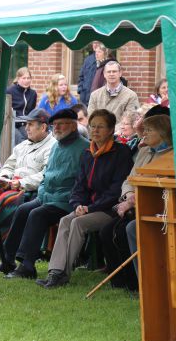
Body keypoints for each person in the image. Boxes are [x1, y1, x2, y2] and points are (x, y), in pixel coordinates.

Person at [37, 109, 134, 288]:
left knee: (77, 223)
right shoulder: (87, 154)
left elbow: (116, 190)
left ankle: (63, 275)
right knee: (66, 220)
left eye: (101, 127)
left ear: (112, 129)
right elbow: (78, 186)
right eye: (92, 126)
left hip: (110, 209)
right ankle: (55, 272)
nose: (95, 130)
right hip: (87, 207)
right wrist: (78, 204)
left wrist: (90, 208)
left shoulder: (121, 153)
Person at [0, 108, 88, 278]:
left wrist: (39, 190)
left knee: (37, 214)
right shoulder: (58, 146)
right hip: (48, 196)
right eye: (55, 125)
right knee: (22, 210)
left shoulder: (84, 148)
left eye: (61, 125)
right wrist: (43, 192)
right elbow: (47, 176)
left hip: (67, 200)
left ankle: (27, 266)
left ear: (73, 127)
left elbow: (78, 182)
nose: (56, 128)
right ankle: (7, 260)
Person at [100, 114, 173, 291]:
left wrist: (132, 202)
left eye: (149, 130)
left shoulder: (172, 156)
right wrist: (128, 195)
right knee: (106, 230)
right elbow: (129, 179)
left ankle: (140, 282)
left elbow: (160, 188)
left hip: (156, 207)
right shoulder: (144, 151)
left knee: (127, 229)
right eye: (144, 129)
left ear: (163, 133)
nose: (144, 134)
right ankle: (120, 282)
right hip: (132, 202)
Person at [0, 108, 56, 254]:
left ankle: (6, 247)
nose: (26, 128)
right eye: (26, 124)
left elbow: (46, 175)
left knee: (8, 200)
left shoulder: (52, 147)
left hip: (34, 190)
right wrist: (5, 177)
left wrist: (21, 183)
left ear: (43, 127)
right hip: (13, 184)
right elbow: (9, 165)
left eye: (30, 124)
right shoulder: (22, 145)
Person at [87, 61, 139, 133]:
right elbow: (91, 118)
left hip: (120, 137)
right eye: (109, 72)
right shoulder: (95, 95)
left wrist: (109, 131)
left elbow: (131, 120)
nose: (111, 74)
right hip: (98, 136)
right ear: (104, 74)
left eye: (114, 71)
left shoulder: (131, 95)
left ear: (120, 73)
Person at [6, 67, 37, 145]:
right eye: (24, 78)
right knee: (21, 140)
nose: (26, 81)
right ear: (18, 79)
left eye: (28, 78)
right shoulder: (9, 91)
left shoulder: (33, 94)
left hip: (24, 124)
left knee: (32, 138)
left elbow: (31, 111)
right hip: (11, 123)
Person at [77, 41, 100, 105]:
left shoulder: (107, 60)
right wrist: (80, 90)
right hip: (85, 96)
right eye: (94, 43)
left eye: (97, 43)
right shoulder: (88, 59)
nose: (95, 45)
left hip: (98, 98)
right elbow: (81, 76)